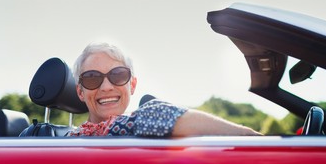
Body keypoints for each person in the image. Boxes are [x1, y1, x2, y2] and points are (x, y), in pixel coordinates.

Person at [66, 42, 262, 137]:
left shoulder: (62, 138)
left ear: (132, 85)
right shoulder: (123, 127)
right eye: (92, 78)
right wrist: (254, 139)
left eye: (118, 75)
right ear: (80, 92)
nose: (107, 87)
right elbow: (158, 115)